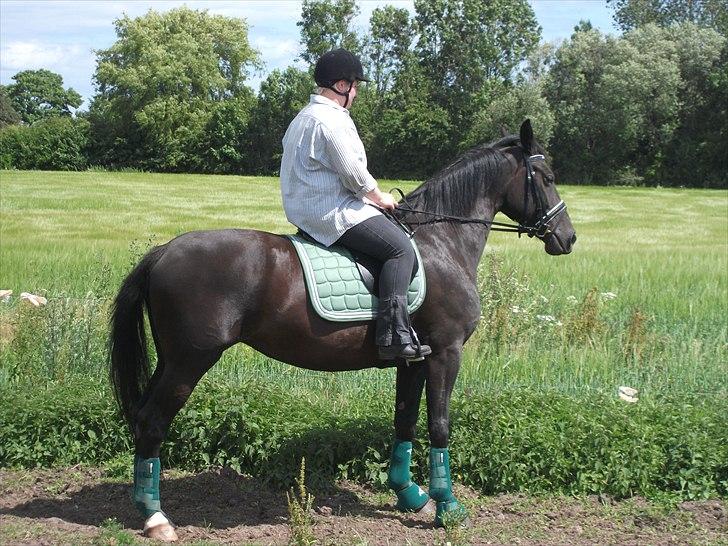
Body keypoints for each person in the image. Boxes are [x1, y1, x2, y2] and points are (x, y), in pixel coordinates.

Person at [280, 48, 431, 361]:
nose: (357, 92)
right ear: (341, 86)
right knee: (400, 248)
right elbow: (352, 173)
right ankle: (393, 336)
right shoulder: (330, 121)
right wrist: (378, 197)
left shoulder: (303, 117)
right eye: (355, 86)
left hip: (307, 209)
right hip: (333, 211)